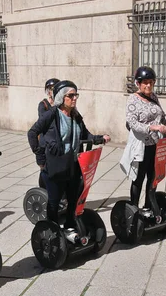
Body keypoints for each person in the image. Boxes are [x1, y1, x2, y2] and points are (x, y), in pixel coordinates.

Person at [27, 80, 110, 233]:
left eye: (76, 95)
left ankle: (70, 227)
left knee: (73, 200)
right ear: (61, 97)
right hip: (55, 165)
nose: (74, 98)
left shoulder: (76, 115)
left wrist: (99, 138)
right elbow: (32, 133)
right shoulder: (51, 114)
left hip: (73, 165)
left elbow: (85, 134)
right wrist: (40, 157)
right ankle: (52, 233)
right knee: (54, 202)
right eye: (70, 95)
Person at [120, 66, 166, 214]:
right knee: (139, 178)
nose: (148, 85)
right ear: (138, 83)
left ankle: (148, 206)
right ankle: (134, 210)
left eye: (151, 82)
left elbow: (163, 116)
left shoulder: (154, 97)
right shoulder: (133, 100)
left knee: (153, 177)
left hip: (155, 145)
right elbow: (132, 123)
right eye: (145, 82)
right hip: (141, 146)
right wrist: (153, 128)